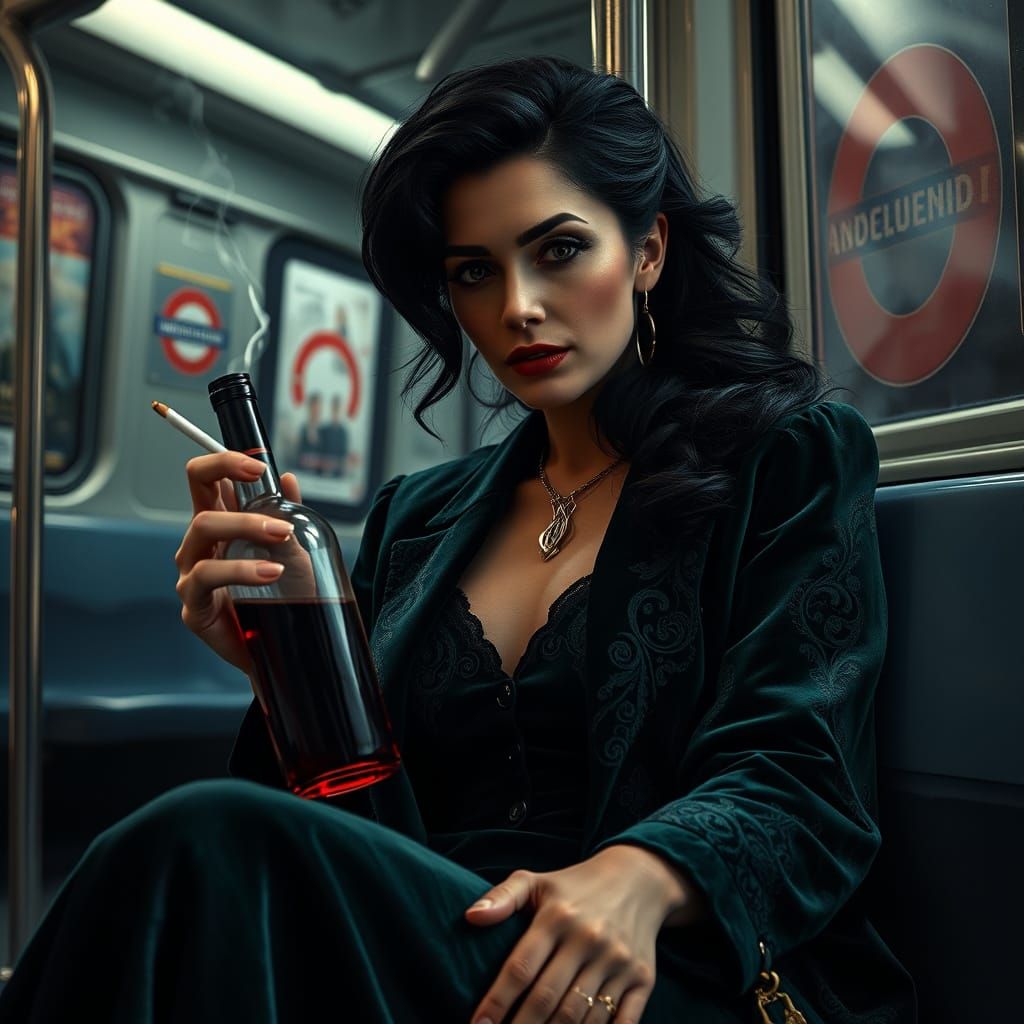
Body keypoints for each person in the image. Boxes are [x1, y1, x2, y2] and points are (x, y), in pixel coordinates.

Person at [0, 57, 917, 1023]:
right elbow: (345, 822)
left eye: (558, 250)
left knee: (195, 840)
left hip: (662, 963)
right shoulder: (416, 516)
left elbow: (803, 764)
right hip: (436, 936)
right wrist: (283, 677)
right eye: (475, 271)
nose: (517, 304)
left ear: (647, 252)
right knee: (204, 872)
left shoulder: (785, 457)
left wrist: (644, 874)